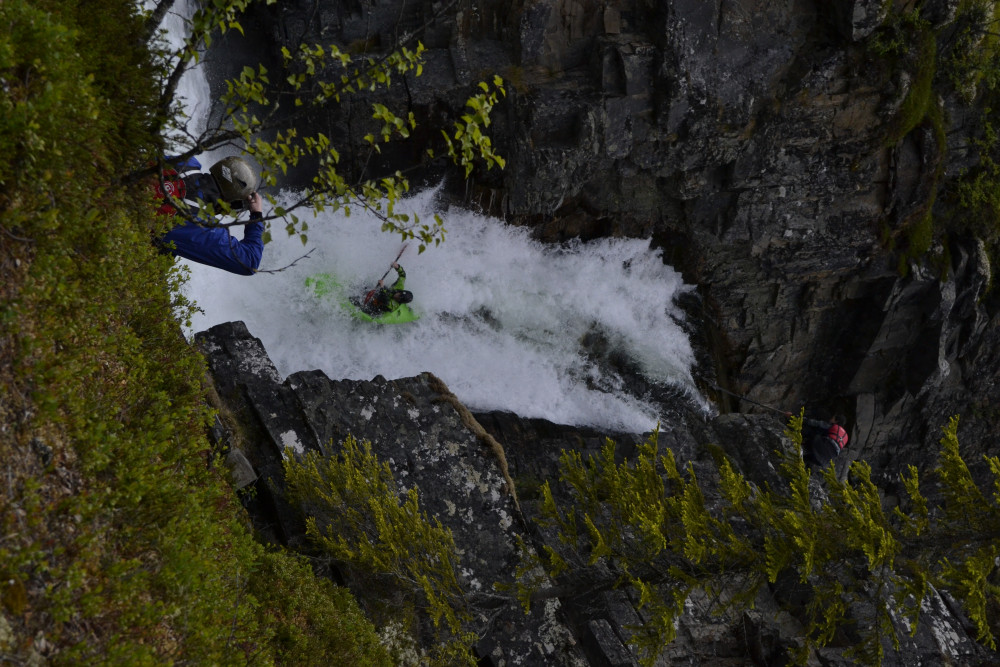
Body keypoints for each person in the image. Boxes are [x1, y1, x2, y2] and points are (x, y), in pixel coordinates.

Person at [153, 155, 265, 276]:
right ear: (230, 202)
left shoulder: (187, 162)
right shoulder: (200, 225)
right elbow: (249, 261)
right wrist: (256, 215)